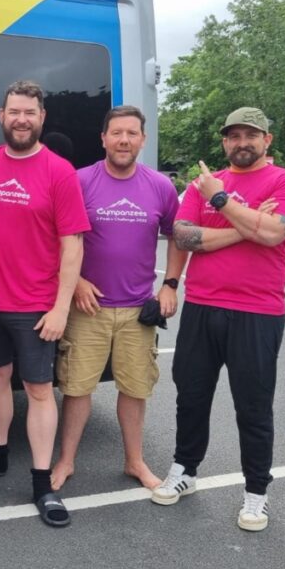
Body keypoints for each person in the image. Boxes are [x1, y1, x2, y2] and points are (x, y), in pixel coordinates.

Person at [151, 107, 285, 532]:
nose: (242, 142)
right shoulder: (203, 181)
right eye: (233, 136)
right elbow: (184, 237)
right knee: (192, 395)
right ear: (224, 141)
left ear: (267, 140)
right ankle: (184, 470)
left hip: (257, 313)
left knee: (253, 407)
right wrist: (248, 226)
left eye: (251, 135)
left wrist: (220, 201)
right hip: (203, 307)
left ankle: (256, 493)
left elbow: (277, 232)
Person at [0, 80, 89, 528]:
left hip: (37, 305)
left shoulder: (60, 172)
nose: (21, 119)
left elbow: (72, 245)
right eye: (14, 111)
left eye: (30, 113)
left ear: (42, 119)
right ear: (1, 116)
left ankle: (43, 484)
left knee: (39, 390)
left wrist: (60, 308)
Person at [50, 106, 184, 492]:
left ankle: (135, 462)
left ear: (142, 139)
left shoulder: (159, 186)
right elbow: (56, 235)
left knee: (135, 388)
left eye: (132, 133)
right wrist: (74, 282)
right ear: (103, 139)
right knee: (76, 389)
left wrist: (170, 284)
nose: (124, 140)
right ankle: (65, 461)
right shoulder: (79, 181)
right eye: (116, 133)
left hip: (137, 309)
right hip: (85, 308)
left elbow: (177, 234)